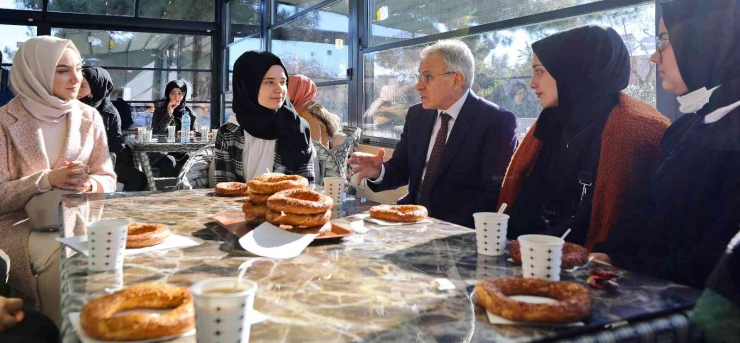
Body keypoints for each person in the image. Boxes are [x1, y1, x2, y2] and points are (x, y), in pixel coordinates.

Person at [593, 0, 740, 288]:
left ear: (706, 41)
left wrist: (622, 263)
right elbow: (644, 207)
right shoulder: (684, 127)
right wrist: (608, 251)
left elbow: (713, 260)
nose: (654, 57)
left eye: (664, 42)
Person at [498, 26, 670, 251]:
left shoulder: (636, 129)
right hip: (532, 253)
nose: (532, 83)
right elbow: (525, 200)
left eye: (539, 71)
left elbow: (626, 225)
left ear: (573, 70)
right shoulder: (552, 121)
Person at [0, 36, 116, 321]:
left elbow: (108, 178)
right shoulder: (4, 121)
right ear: (34, 72)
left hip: (81, 219)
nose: (76, 78)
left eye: (79, 68)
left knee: (128, 260)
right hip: (18, 226)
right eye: (63, 70)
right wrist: (46, 180)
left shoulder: (90, 117)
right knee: (67, 262)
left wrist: (90, 183)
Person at [348, 39, 517, 228]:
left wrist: (435, 229)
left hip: (456, 232)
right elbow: (401, 169)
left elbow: (491, 196)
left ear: (456, 80)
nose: (418, 86)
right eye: (419, 76)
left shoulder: (496, 121)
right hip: (411, 220)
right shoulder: (417, 115)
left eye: (427, 77)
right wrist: (378, 171)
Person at [214, 51, 316, 183]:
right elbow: (225, 188)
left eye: (283, 82)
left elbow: (306, 185)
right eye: (269, 82)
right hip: (238, 204)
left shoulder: (297, 127)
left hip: (287, 203)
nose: (280, 89)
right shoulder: (228, 132)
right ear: (248, 86)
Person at [78, 67, 146, 191]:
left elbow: (115, 142)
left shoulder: (110, 112)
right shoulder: (72, 106)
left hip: (104, 160)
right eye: (78, 84)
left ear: (96, 87)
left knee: (137, 178)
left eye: (82, 86)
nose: (77, 89)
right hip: (78, 161)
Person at [287, 74, 345, 149]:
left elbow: (313, 149)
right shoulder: (304, 108)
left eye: (287, 88)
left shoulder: (308, 114)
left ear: (298, 91)